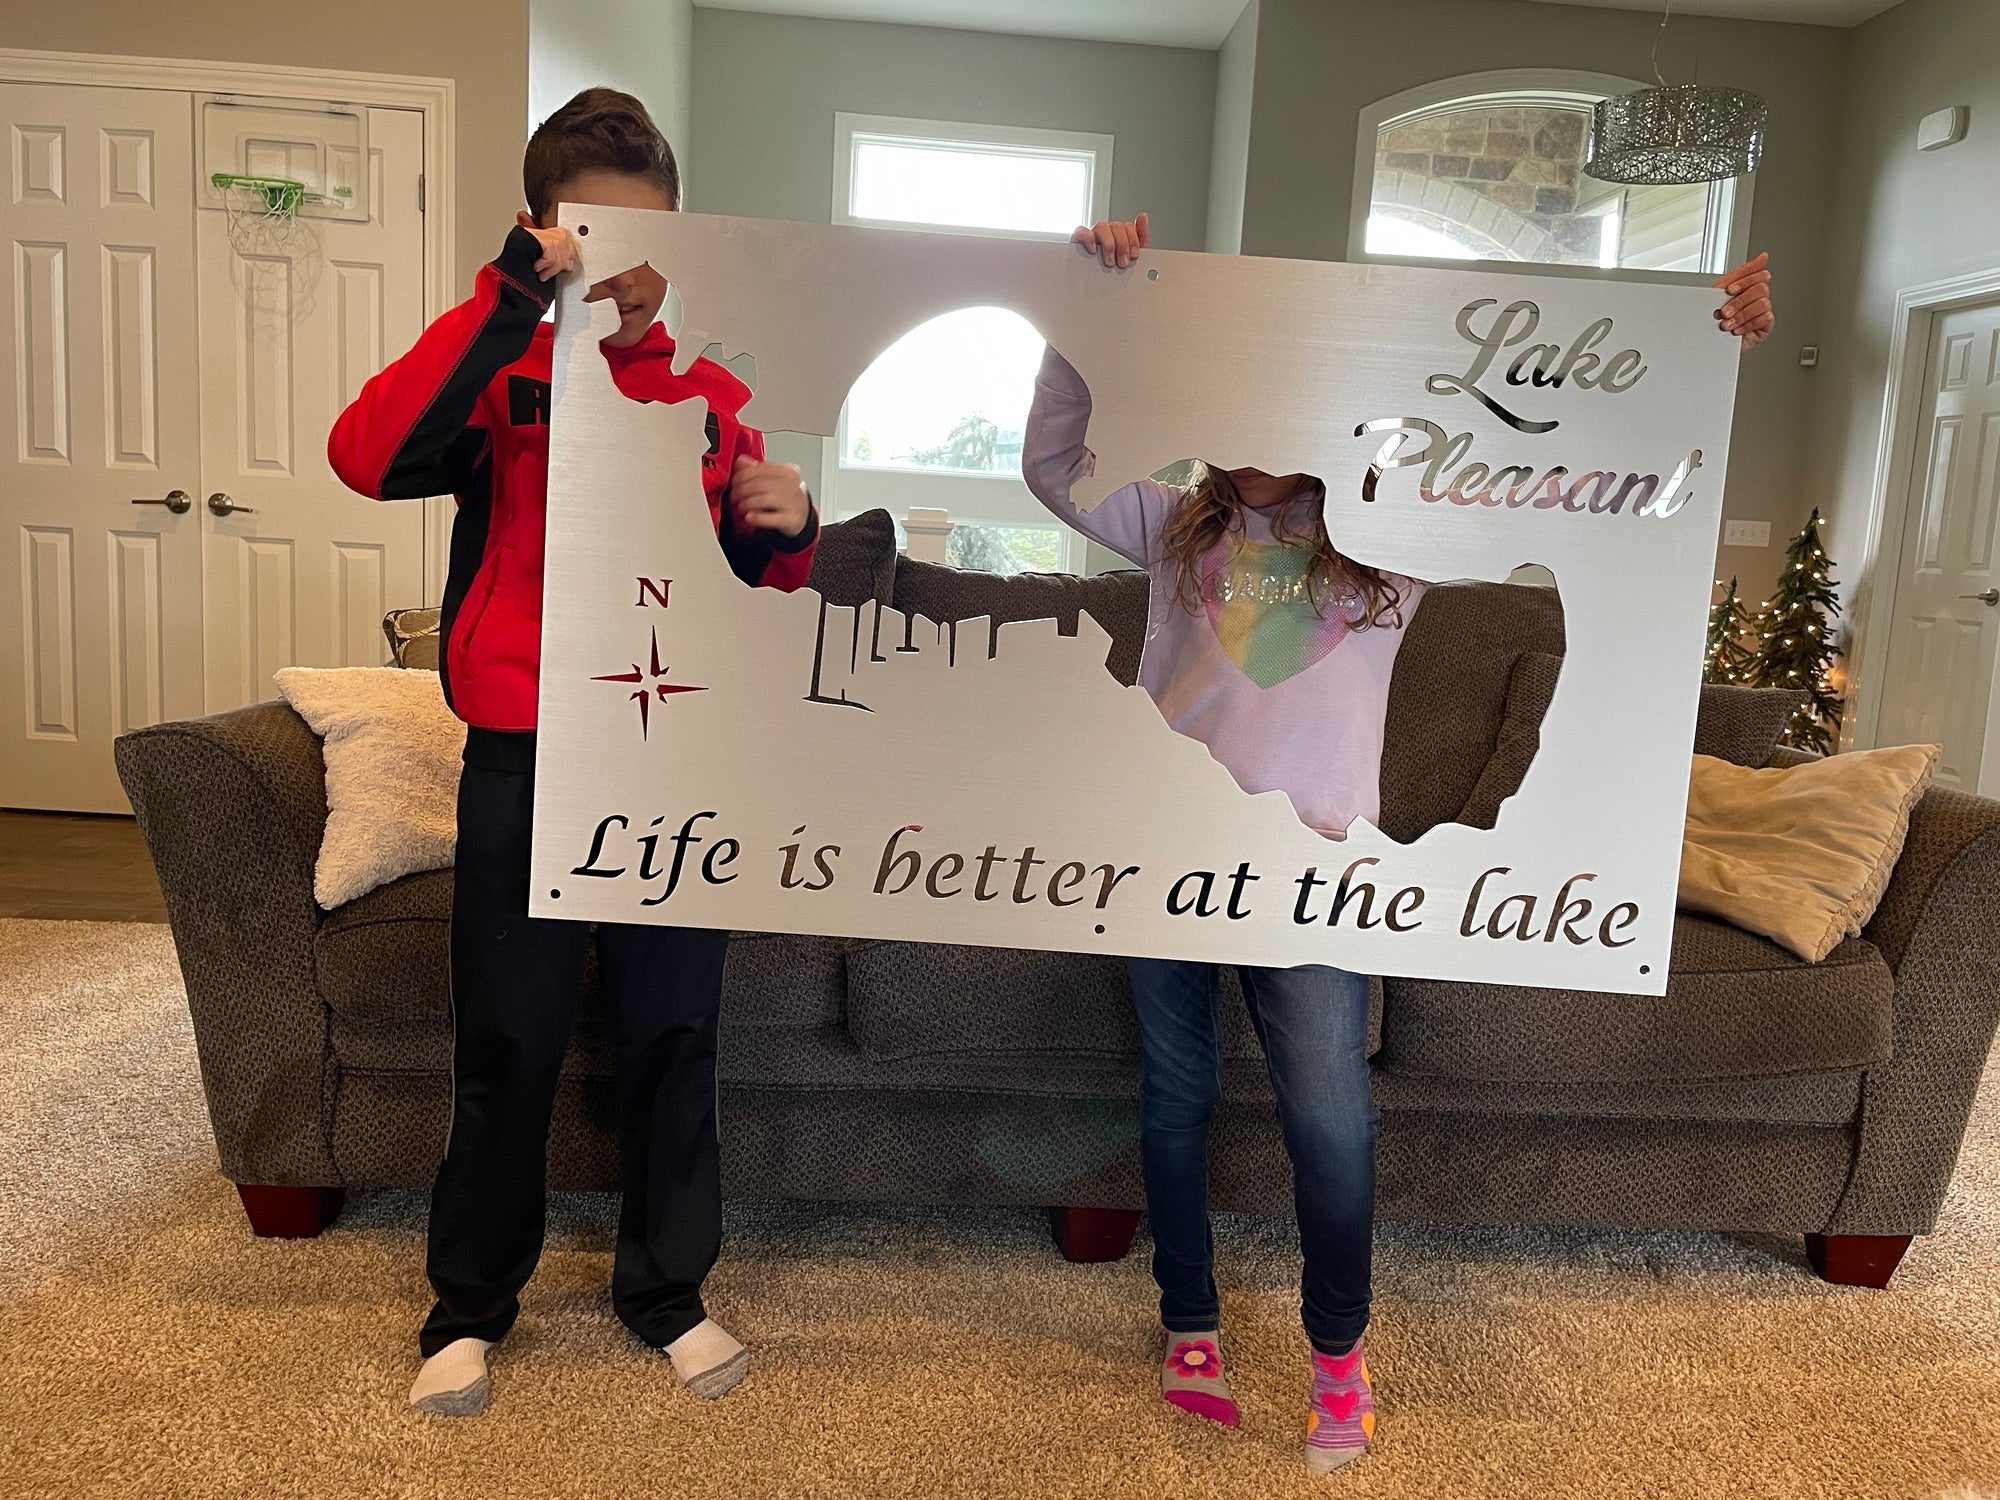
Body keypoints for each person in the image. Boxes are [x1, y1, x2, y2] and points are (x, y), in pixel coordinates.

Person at [1026, 213, 1774, 1473]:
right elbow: (1053, 468)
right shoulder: (1175, 530)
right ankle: (1190, 1321)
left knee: (1328, 1114)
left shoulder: (1387, 554)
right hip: (1160, 860)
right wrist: (1079, 310)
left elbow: (1578, 477)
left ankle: (1335, 1352)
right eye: (1236, 402)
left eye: (1287, 403)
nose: (1259, 436)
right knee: (1175, 1095)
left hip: (1311, 876)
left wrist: (1698, 349)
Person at [328, 87, 818, 1417]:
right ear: (548, 233)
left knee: (674, 1033)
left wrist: (786, 525)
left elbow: (760, 587)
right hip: (528, 753)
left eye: (655, 238)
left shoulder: (715, 399)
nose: (633, 268)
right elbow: (366, 458)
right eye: (595, 236)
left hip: (672, 762)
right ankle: (470, 1303)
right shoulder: (504, 374)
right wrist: (505, 296)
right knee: (510, 1038)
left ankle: (667, 1292)